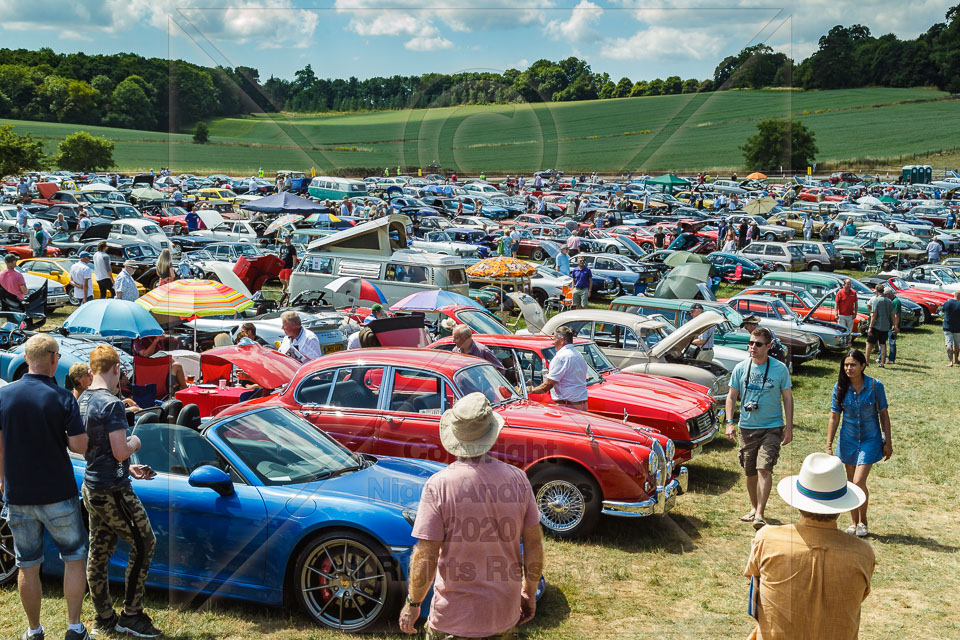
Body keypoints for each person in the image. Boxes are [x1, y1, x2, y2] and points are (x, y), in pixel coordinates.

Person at [398, 393, 543, 638]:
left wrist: (413, 604)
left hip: (453, 618)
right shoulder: (518, 480)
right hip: (503, 613)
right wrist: (528, 592)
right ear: (491, 433)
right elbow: (533, 544)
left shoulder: (439, 485)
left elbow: (426, 555)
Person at [0, 334, 91, 640]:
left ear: (27, 360)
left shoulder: (4, 395)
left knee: (28, 564)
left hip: (19, 494)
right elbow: (79, 446)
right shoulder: (64, 398)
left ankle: (33, 630)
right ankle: (75, 627)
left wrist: (2, 480)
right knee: (75, 556)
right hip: (58, 493)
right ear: (54, 359)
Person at [78, 345, 161, 638]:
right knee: (145, 543)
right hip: (113, 491)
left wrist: (128, 468)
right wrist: (136, 442)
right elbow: (120, 449)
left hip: (93, 486)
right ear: (116, 369)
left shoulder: (84, 398)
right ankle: (131, 615)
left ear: (92, 370)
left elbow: (94, 449)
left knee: (98, 553)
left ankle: (103, 617)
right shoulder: (112, 403)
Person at [745, 452, 874, 640]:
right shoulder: (863, 553)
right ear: (840, 508)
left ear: (798, 501)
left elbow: (754, 589)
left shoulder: (766, 539)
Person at [725, 326, 794, 530]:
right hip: (747, 427)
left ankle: (760, 513)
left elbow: (788, 399)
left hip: (772, 427)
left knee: (764, 468)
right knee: (750, 472)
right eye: (751, 343)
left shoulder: (779, 369)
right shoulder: (740, 368)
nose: (753, 347)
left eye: (758, 344)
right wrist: (729, 423)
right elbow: (731, 396)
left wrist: (788, 427)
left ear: (768, 346)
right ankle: (754, 508)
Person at [824, 349, 892, 538]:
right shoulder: (839, 387)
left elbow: (884, 415)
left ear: (863, 365)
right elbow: (834, 417)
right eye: (846, 365)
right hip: (848, 440)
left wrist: (888, 442)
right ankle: (854, 523)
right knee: (850, 483)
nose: (849, 368)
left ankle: (863, 521)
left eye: (853, 364)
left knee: (858, 481)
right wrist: (829, 445)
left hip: (870, 439)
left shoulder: (875, 386)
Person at [527, 326, 589, 410]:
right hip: (582, 405)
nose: (553, 343)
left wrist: (529, 390)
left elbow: (546, 386)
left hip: (569, 407)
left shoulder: (561, 357)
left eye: (554, 339)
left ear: (562, 340)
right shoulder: (579, 355)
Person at [865, 283, 894, 368]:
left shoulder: (876, 300)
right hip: (885, 326)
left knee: (869, 343)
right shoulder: (889, 301)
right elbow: (892, 314)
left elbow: (874, 315)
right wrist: (894, 325)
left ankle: (866, 361)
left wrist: (870, 327)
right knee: (883, 344)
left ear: (877, 291)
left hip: (876, 326)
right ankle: (882, 363)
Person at [943, 290, 960, 366]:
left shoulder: (947, 303)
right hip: (958, 327)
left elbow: (943, 311)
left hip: (948, 326)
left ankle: (951, 362)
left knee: (949, 344)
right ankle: (956, 359)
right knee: (957, 345)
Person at [884, 288, 900, 364]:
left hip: (892, 326)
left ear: (888, 294)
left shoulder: (896, 301)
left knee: (892, 342)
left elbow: (896, 315)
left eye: (885, 295)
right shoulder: (891, 301)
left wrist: (895, 326)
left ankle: (891, 359)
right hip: (888, 324)